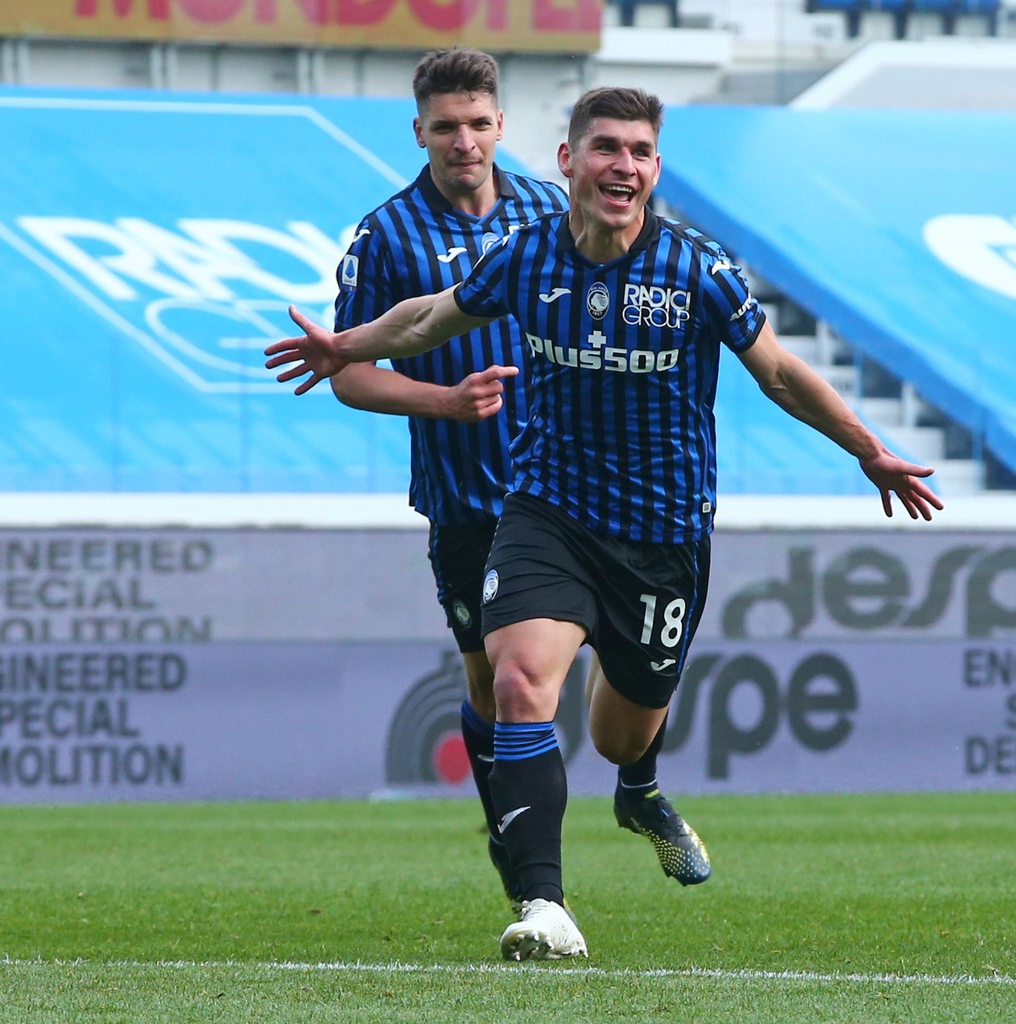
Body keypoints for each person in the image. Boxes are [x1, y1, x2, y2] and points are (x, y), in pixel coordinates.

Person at [267, 86, 943, 960]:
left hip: (660, 537)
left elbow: (777, 372)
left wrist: (868, 449)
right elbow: (432, 317)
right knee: (515, 684)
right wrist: (345, 346)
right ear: (569, 161)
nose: (622, 165)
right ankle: (544, 907)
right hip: (545, 510)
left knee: (621, 731)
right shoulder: (526, 254)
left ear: (655, 170)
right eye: (606, 148)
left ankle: (638, 789)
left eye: (639, 152)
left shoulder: (698, 269)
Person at [328, 50, 710, 904]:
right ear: (418, 132)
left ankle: (636, 788)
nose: (463, 142)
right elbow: (350, 370)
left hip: (586, 497)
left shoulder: (554, 207)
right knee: (497, 690)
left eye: (477, 124)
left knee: (624, 685)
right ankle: (528, 868)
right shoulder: (385, 235)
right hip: (470, 498)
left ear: (502, 125)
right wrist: (445, 402)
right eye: (444, 127)